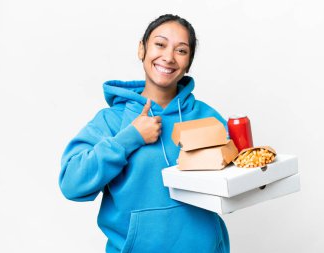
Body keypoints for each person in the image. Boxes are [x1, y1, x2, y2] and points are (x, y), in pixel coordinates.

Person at [59, 14, 230, 253]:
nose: (168, 57)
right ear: (142, 49)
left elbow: (234, 174)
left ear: (189, 62)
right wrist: (130, 138)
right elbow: (71, 183)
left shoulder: (205, 116)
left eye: (181, 50)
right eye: (160, 44)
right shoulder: (112, 121)